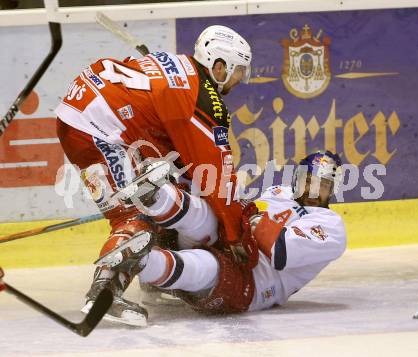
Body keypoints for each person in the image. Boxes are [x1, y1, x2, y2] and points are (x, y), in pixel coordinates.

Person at [55, 25, 252, 326]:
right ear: (219, 65)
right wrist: (235, 234)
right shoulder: (203, 98)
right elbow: (217, 175)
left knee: (161, 189)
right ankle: (103, 292)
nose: (240, 81)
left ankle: (153, 278)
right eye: (239, 71)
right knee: (137, 213)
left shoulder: (181, 69)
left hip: (85, 115)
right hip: (95, 127)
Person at [96, 151, 347, 315]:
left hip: (255, 284)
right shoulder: (278, 192)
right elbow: (241, 219)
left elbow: (279, 251)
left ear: (332, 189)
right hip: (238, 243)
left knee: (210, 266)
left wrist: (251, 217)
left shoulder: (331, 227)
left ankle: (141, 261)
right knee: (211, 217)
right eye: (310, 180)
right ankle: (157, 197)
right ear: (298, 178)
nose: (315, 189)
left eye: (324, 185)